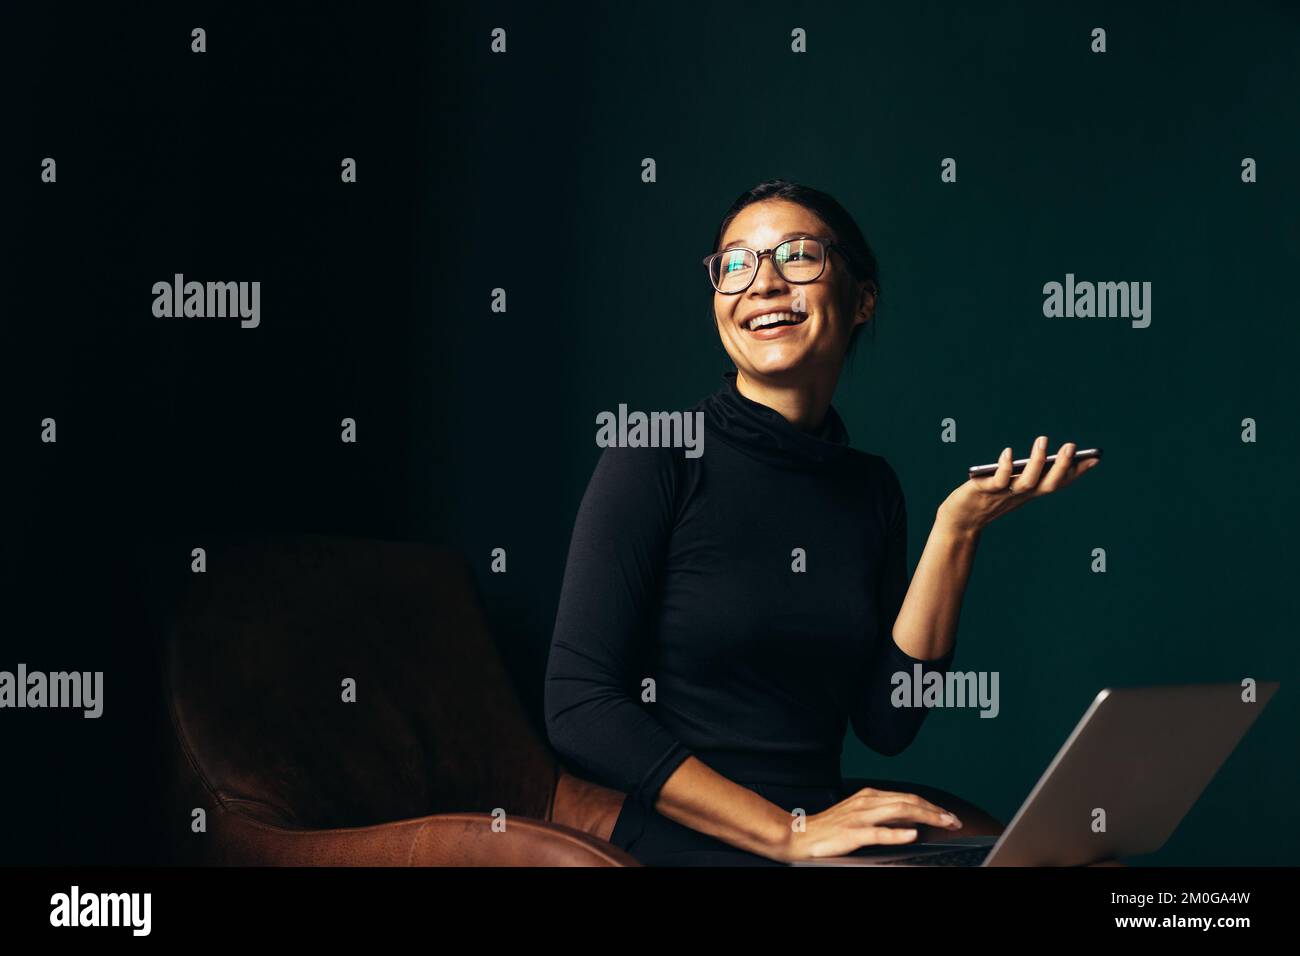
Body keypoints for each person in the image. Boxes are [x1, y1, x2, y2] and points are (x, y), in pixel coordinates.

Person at [543, 179, 1100, 866]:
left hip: (825, 832)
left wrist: (956, 532)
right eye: (736, 264)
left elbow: (889, 722)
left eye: (798, 255)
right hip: (690, 839)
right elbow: (578, 706)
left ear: (862, 299)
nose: (764, 283)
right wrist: (787, 833)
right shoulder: (656, 451)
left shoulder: (870, 487)